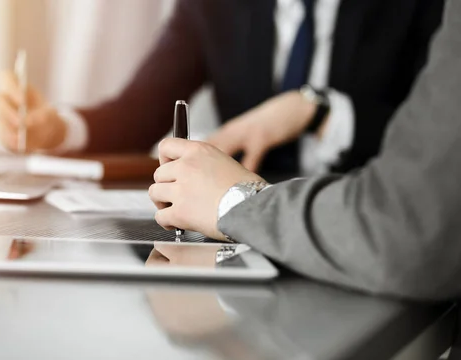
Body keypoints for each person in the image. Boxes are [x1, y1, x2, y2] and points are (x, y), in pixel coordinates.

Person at [148, 0, 461, 356]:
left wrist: (235, 200)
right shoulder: (213, 7)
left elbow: (414, 213)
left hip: (348, 242)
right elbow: (137, 109)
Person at [0, 0, 443, 176]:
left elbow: (438, 143)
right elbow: (138, 111)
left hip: (358, 220)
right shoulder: (215, 6)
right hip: (242, 227)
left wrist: (319, 111)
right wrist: (57, 129)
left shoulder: (419, 10)